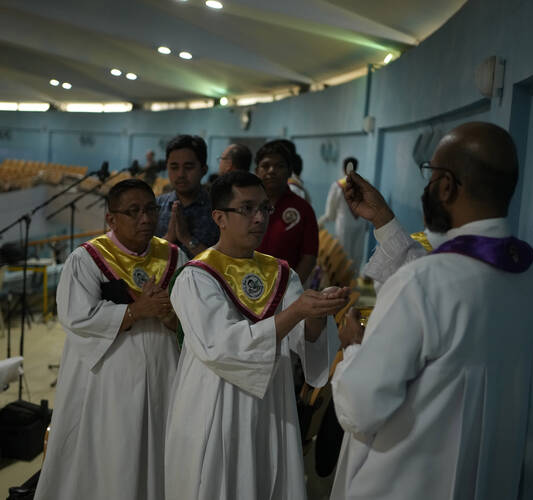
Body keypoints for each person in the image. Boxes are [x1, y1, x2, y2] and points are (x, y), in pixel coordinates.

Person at [329, 122, 533, 500]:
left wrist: (353, 349)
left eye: (429, 175)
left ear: (446, 185)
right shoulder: (522, 273)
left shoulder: (422, 282)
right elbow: (441, 273)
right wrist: (382, 219)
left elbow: (359, 409)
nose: (426, 188)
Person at [164, 171, 350, 500]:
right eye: (247, 209)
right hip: (215, 403)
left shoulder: (280, 272)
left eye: (265, 208)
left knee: (268, 478)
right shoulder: (196, 277)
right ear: (219, 217)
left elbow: (304, 342)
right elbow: (221, 347)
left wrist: (318, 313)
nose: (260, 218)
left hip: (272, 403)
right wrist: (296, 312)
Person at [35, 179, 185, 500]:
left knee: (161, 452)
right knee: (115, 459)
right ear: (111, 219)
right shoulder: (87, 259)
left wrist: (169, 316)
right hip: (110, 383)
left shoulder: (174, 258)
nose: (145, 218)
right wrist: (137, 311)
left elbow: (189, 323)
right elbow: (77, 319)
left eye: (150, 209)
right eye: (133, 211)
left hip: (164, 376)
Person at [254, 141, 319, 284]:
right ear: (256, 171)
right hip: (243, 287)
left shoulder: (303, 209)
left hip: (285, 291)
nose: (271, 170)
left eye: (279, 166)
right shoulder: (245, 206)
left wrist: (290, 290)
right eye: (265, 166)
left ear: (289, 172)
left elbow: (309, 256)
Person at [156, 135, 219, 257]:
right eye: (174, 167)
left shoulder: (218, 210)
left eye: (188, 167)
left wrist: (187, 239)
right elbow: (142, 258)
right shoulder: (155, 206)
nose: (180, 174)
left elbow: (223, 264)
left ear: (204, 169)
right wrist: (169, 238)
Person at [318, 156, 367, 272]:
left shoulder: (337, 186)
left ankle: (344, 282)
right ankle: (353, 281)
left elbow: (330, 213)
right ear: (356, 168)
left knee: (344, 254)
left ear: (343, 168)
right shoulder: (364, 185)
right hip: (361, 224)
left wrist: (326, 219)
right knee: (358, 254)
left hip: (344, 225)